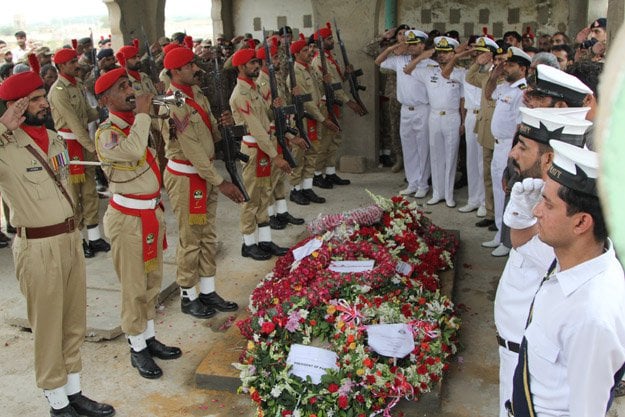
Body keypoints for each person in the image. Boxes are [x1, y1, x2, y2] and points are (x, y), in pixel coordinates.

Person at [0, 68, 115, 417]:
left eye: (40, 96)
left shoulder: (55, 139)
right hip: (37, 247)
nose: (41, 104)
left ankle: (75, 392)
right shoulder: (6, 146)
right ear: (13, 105)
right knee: (49, 326)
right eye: (31, 100)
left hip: (68, 239)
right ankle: (56, 401)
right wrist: (3, 125)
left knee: (73, 321)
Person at [508, 141, 625, 417]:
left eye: (547, 204)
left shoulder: (593, 315)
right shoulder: (575, 260)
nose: (536, 211)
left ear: (582, 223)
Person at [494, 107, 591, 417]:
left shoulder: (565, 219)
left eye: (523, 146)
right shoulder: (537, 196)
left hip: (534, 366)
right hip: (515, 351)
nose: (513, 153)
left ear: (548, 159)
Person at [94, 68, 182, 379]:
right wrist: (144, 114)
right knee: (133, 286)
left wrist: (162, 111)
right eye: (122, 88)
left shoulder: (137, 122)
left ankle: (149, 336)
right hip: (127, 218)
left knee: (152, 280)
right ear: (106, 99)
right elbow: (131, 150)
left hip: (150, 213)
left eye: (131, 85)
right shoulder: (107, 132)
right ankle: (136, 347)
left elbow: (172, 109)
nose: (131, 91)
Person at [160, 47, 243, 318]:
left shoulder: (197, 94)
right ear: (175, 72)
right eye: (189, 65)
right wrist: (221, 182)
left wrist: (225, 128)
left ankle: (207, 290)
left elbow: (210, 134)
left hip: (204, 173)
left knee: (207, 234)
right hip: (187, 177)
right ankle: (188, 294)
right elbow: (192, 148)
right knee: (190, 237)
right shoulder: (172, 103)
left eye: (194, 62)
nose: (196, 68)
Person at [229, 45, 291, 260]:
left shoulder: (253, 88)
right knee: (251, 197)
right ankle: (248, 243)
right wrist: (275, 155)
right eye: (252, 63)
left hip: (264, 147)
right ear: (241, 66)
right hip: (255, 150)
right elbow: (256, 127)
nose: (257, 65)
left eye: (257, 62)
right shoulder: (241, 93)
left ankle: (264, 240)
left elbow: (265, 117)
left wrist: (274, 107)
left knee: (264, 194)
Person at [48, 47, 110, 258]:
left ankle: (94, 238)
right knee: (72, 197)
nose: (77, 64)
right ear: (62, 66)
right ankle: (78, 241)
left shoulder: (79, 85)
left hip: (82, 142)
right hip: (66, 147)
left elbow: (86, 114)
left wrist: (103, 109)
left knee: (90, 191)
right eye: (72, 62)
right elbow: (74, 124)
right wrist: (95, 149)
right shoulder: (58, 91)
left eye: (76, 60)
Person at [481, 46, 530, 256]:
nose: (505, 68)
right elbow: (487, 94)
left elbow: (520, 127)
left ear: (523, 68)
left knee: (507, 194)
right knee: (498, 192)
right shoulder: (506, 87)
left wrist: (513, 156)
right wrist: (493, 76)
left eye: (510, 65)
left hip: (509, 148)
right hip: (498, 145)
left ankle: (508, 240)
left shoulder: (522, 92)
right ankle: (499, 234)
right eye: (505, 64)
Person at [255, 38, 308, 226]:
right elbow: (265, 115)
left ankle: (282, 212)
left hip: (281, 129)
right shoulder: (261, 84)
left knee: (278, 179)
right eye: (275, 58)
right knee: (270, 180)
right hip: (272, 133)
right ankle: (270, 216)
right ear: (264, 62)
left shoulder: (274, 78)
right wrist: (289, 135)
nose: (278, 61)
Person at [409, 36, 465, 207]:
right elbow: (408, 70)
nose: (442, 56)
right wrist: (423, 56)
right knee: (436, 155)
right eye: (440, 52)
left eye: (446, 52)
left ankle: (449, 195)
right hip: (433, 116)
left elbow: (463, 99)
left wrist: (463, 121)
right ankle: (437, 192)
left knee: (450, 156)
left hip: (451, 116)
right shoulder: (429, 71)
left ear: (454, 54)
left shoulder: (460, 73)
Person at [375, 29, 431, 198]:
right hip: (405, 109)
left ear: (422, 45)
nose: (411, 47)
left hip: (422, 109)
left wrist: (422, 56)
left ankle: (423, 184)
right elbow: (378, 61)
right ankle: (412, 182)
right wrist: (393, 47)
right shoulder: (400, 60)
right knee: (409, 148)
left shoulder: (429, 62)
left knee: (423, 149)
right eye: (409, 44)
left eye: (415, 44)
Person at [311, 23, 366, 189]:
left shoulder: (330, 57)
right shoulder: (318, 61)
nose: (331, 41)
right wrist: (349, 102)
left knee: (334, 140)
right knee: (324, 142)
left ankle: (329, 172)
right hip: (326, 105)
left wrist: (347, 74)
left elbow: (338, 80)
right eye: (328, 39)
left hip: (335, 104)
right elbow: (333, 86)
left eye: (331, 38)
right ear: (320, 42)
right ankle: (316, 175)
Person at [287, 34, 340, 206]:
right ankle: (295, 190)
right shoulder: (295, 73)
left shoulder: (310, 69)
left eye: (309, 49)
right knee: (299, 155)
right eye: (304, 50)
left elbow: (317, 94)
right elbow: (307, 102)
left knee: (311, 154)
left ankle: (307, 187)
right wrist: (323, 119)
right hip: (304, 119)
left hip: (314, 118)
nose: (309, 52)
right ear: (296, 54)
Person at [466, 38, 508, 230]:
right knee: (487, 175)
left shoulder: (509, 83)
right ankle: (491, 214)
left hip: (499, 135)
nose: (499, 64)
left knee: (500, 179)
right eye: (496, 60)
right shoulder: (487, 77)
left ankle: (500, 216)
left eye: (502, 61)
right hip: (485, 131)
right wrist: (479, 62)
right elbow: (469, 78)